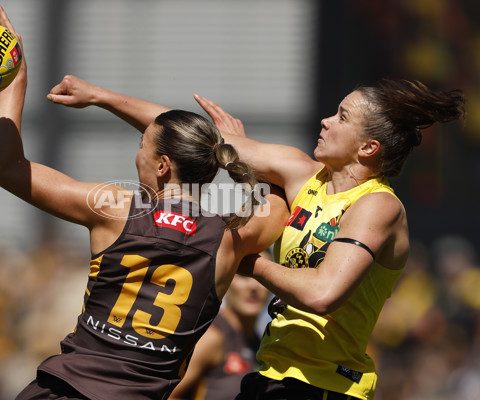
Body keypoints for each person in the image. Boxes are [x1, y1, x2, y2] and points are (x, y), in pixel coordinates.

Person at [0, 4, 287, 400]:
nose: (136, 154)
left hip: (65, 390)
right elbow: (283, 184)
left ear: (162, 166)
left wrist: (15, 77)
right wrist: (240, 150)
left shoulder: (115, 209)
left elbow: (3, 164)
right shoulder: (232, 236)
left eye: (140, 145)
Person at [192, 80, 466, 399]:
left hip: (322, 386)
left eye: (342, 116)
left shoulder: (378, 205)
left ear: (368, 148)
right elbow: (184, 135)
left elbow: (322, 293)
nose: (326, 120)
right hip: (270, 375)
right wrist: (120, 99)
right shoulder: (306, 177)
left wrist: (245, 261)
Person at [168, 251, 271, 400]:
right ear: (227, 279)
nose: (253, 287)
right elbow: (166, 395)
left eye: (261, 278)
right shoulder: (211, 336)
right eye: (244, 276)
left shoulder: (262, 346)